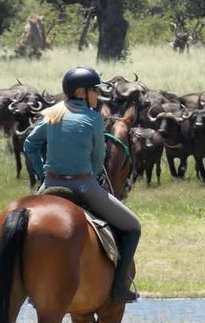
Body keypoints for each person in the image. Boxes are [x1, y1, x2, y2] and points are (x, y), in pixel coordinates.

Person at [24, 66, 140, 303]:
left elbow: (30, 144)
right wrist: (94, 175)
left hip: (50, 184)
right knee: (132, 226)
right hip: (84, 186)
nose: (98, 95)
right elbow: (98, 158)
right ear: (81, 92)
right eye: (95, 90)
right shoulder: (93, 118)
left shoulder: (51, 114)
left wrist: (42, 171)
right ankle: (119, 287)